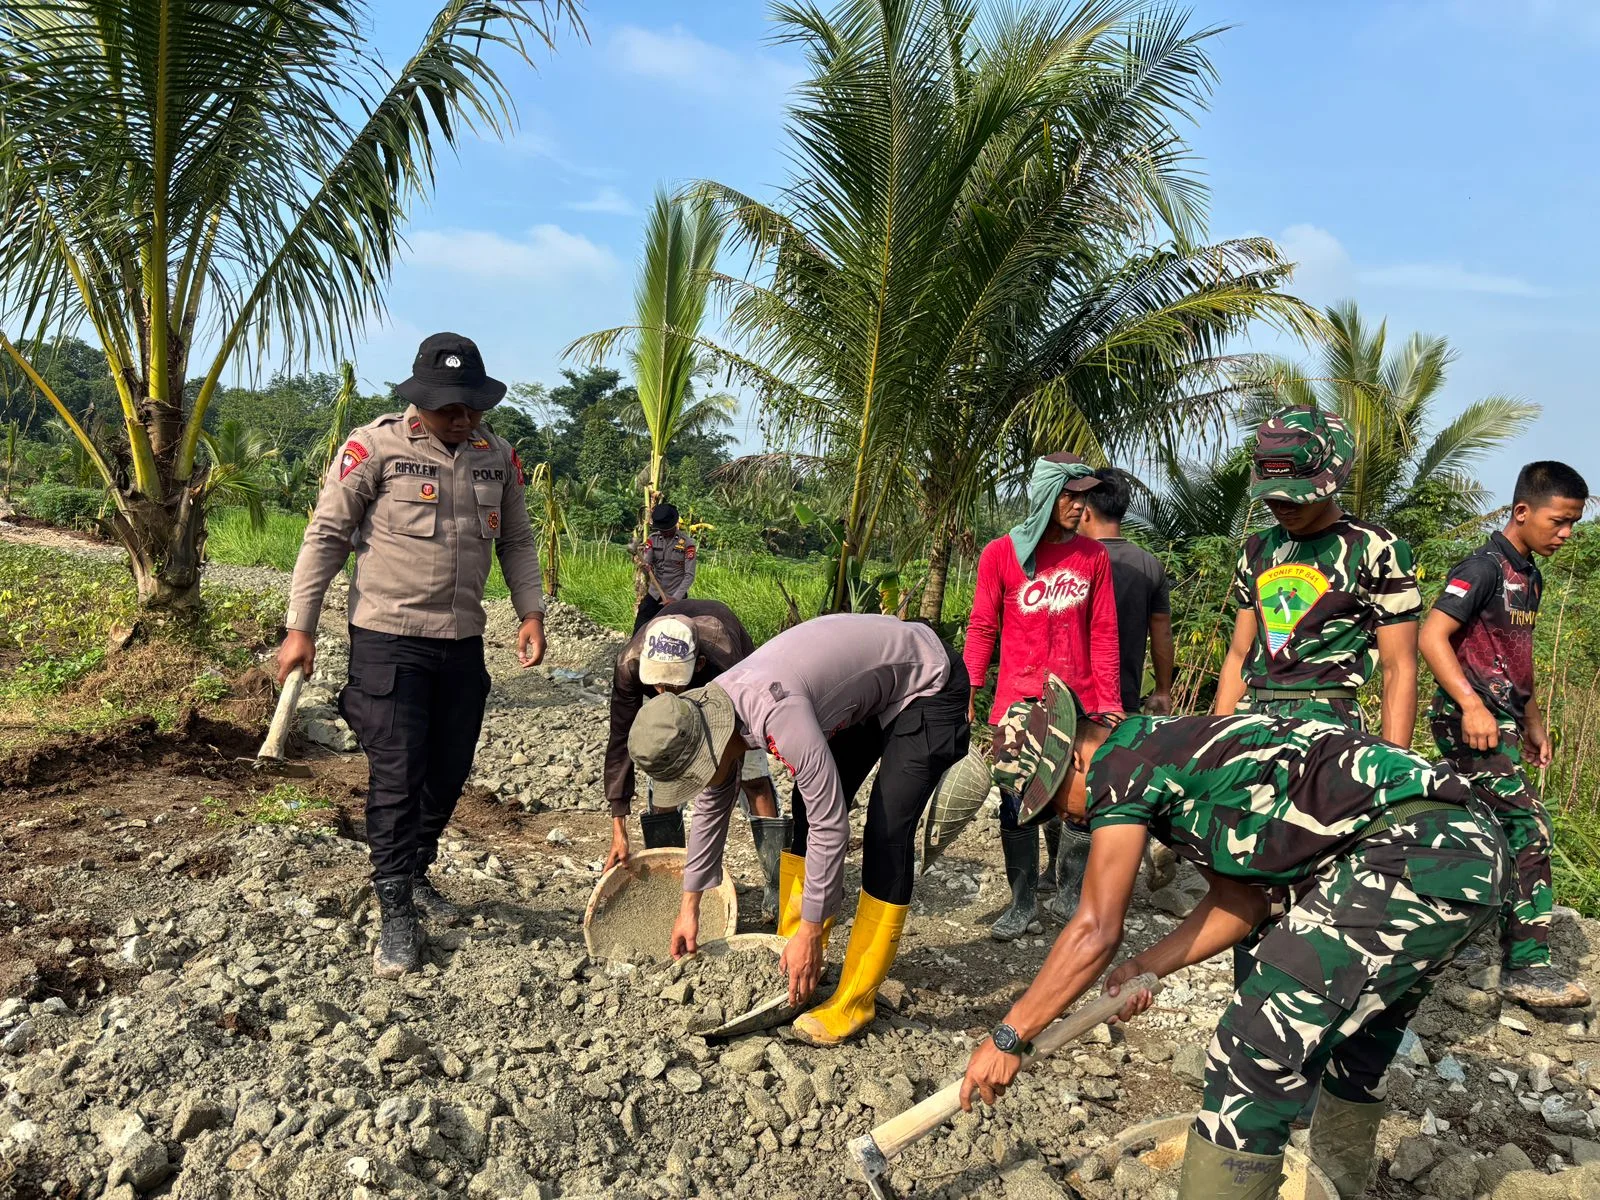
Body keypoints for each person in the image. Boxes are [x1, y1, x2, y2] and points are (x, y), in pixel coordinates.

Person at [960, 684, 1506, 1200]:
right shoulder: (1171, 751)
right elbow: (1242, 903)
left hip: (1406, 851)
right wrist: (1146, 966)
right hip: (1464, 854)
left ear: (1076, 761)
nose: (1067, 816)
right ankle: (1335, 1188)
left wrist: (1010, 1035)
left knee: (1250, 1055)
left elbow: (1095, 929)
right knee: (1354, 1044)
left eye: (1056, 802)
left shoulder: (1117, 769)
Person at [277, 332, 547, 979]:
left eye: (471, 407)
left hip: (462, 642)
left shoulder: (496, 457)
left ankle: (417, 871)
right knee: (397, 774)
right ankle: (394, 906)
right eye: (449, 408)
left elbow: (516, 540)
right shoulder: (375, 448)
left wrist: (531, 611)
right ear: (419, 400)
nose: (462, 419)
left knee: (448, 769)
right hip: (388, 640)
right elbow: (326, 536)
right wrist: (300, 628)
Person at [628, 613, 970, 1045]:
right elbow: (713, 802)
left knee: (887, 830)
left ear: (710, 746)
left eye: (697, 772)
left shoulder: (777, 712)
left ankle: (854, 1000)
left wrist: (810, 929)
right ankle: (798, 950)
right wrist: (689, 907)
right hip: (867, 687)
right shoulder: (705, 713)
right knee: (805, 806)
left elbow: (833, 823)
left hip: (926, 680)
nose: (699, 783)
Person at [1421, 460, 1591, 1010]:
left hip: (1505, 721)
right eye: (1559, 521)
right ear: (1522, 511)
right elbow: (1432, 636)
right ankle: (1527, 965)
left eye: (1573, 523)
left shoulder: (1530, 576)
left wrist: (1534, 722)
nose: (1566, 534)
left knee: (1486, 825)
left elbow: (1517, 657)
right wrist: (1471, 706)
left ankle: (1461, 937)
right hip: (1468, 721)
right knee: (1529, 826)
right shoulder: (1482, 567)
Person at [963, 452, 1121, 942]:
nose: (1079, 507)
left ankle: (1070, 895)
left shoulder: (1093, 557)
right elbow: (983, 625)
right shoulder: (1000, 554)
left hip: (1081, 701)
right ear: (1047, 494)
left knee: (1077, 800)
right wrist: (968, 686)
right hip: (1019, 699)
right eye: (1070, 496)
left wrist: (1109, 703)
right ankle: (1023, 903)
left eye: (1084, 498)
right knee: (1015, 799)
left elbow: (1104, 631)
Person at [1214, 407, 1421, 743]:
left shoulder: (1377, 549)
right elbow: (1239, 654)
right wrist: (1217, 743)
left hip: (1329, 731)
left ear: (1328, 482)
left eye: (1295, 497)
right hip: (1250, 726)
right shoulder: (1256, 549)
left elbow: (1398, 667)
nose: (1283, 507)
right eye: (1273, 497)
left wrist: (1395, 762)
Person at [603, 603, 788, 921]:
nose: (664, 692)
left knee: (753, 779)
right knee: (665, 779)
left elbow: (731, 762)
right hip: (676, 721)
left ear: (698, 664)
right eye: (657, 685)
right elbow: (620, 741)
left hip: (730, 699)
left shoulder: (723, 656)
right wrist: (618, 826)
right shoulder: (630, 664)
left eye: (674, 685)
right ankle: (670, 886)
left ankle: (776, 886)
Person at [1075, 464, 1178, 898]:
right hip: (1122, 694)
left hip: (1070, 692)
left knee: (1065, 775)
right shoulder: (1148, 564)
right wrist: (1163, 690)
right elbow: (1162, 635)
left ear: (1085, 510)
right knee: (1111, 778)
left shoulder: (1073, 559)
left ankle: (1070, 883)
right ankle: (1103, 875)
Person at [632, 503, 696, 633]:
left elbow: (689, 575)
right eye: (661, 530)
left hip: (676, 596)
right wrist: (645, 566)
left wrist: (676, 598)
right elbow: (647, 562)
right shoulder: (652, 539)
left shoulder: (687, 544)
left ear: (674, 524)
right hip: (655, 594)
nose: (663, 532)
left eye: (666, 529)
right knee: (640, 626)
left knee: (677, 632)